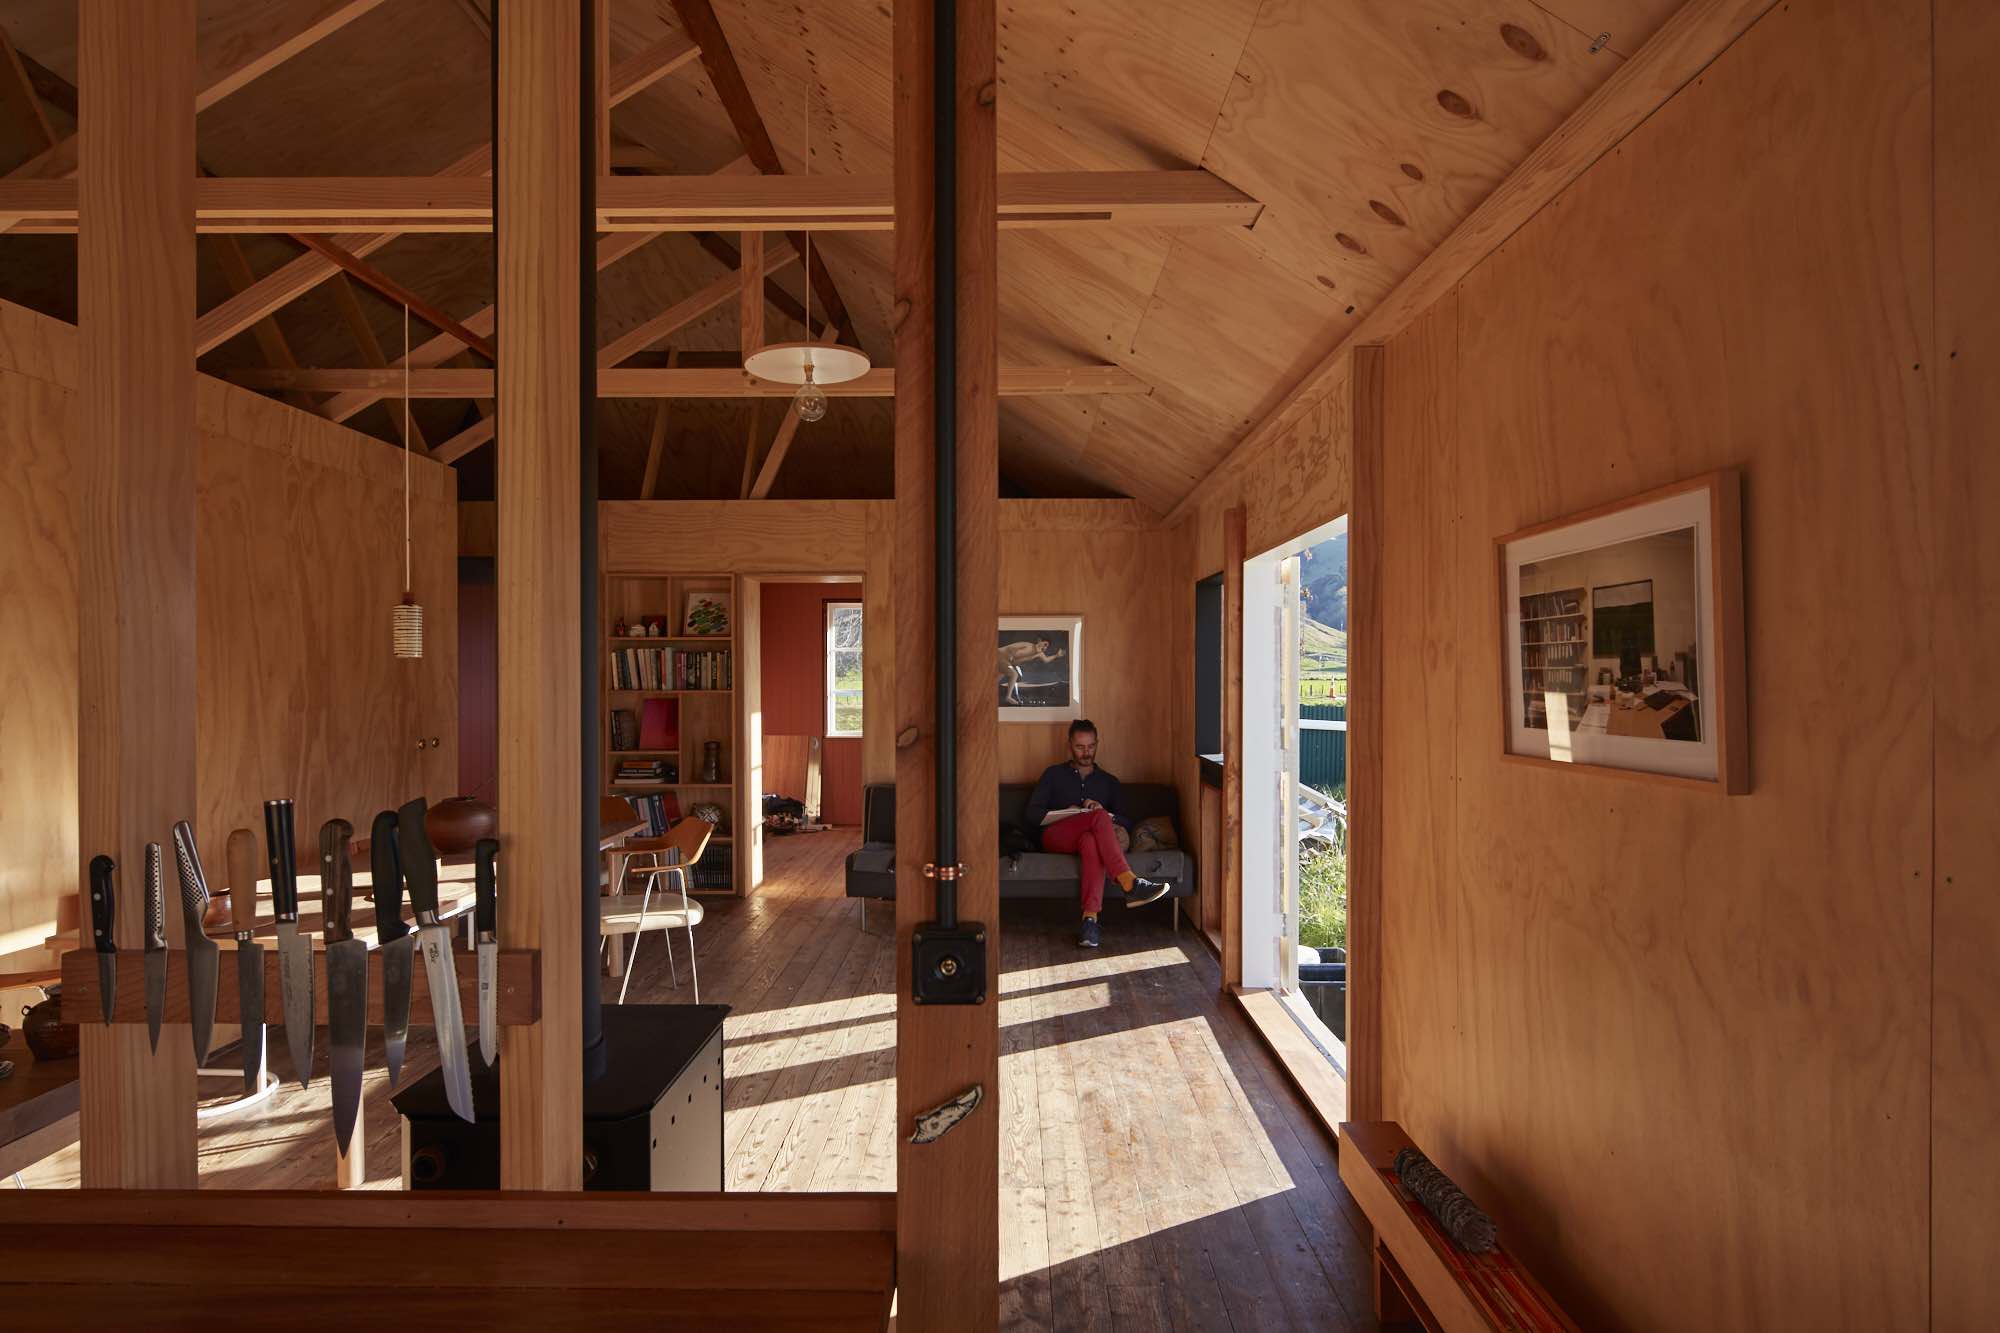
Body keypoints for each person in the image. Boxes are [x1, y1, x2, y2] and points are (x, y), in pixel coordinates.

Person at [1025, 718, 1170, 948]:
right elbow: (1032, 815)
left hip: (1088, 837)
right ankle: (1129, 883)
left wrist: (1104, 813)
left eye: (1091, 746)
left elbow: (1126, 821)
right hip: (1055, 836)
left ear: (1097, 744)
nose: (1086, 753)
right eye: (1080, 747)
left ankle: (1089, 921)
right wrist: (1068, 812)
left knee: (1092, 839)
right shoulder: (1053, 774)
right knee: (1098, 818)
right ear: (1069, 746)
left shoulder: (1109, 782)